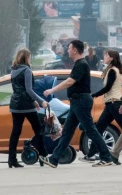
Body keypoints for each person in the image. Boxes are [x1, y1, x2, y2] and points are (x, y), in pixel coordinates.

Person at [41, 39, 114, 168]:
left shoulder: (81, 64)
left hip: (81, 101)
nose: (67, 50)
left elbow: (70, 81)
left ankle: (106, 156)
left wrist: (52, 90)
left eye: (69, 48)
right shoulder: (78, 64)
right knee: (67, 132)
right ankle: (54, 159)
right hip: (76, 102)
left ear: (74, 50)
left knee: (90, 130)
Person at [8, 48, 48, 168]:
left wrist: (34, 101)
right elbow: (29, 90)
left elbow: (18, 89)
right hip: (26, 105)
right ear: (26, 58)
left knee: (15, 132)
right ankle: (43, 156)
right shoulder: (27, 71)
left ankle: (12, 159)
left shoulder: (13, 71)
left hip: (15, 105)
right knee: (38, 130)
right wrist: (41, 102)